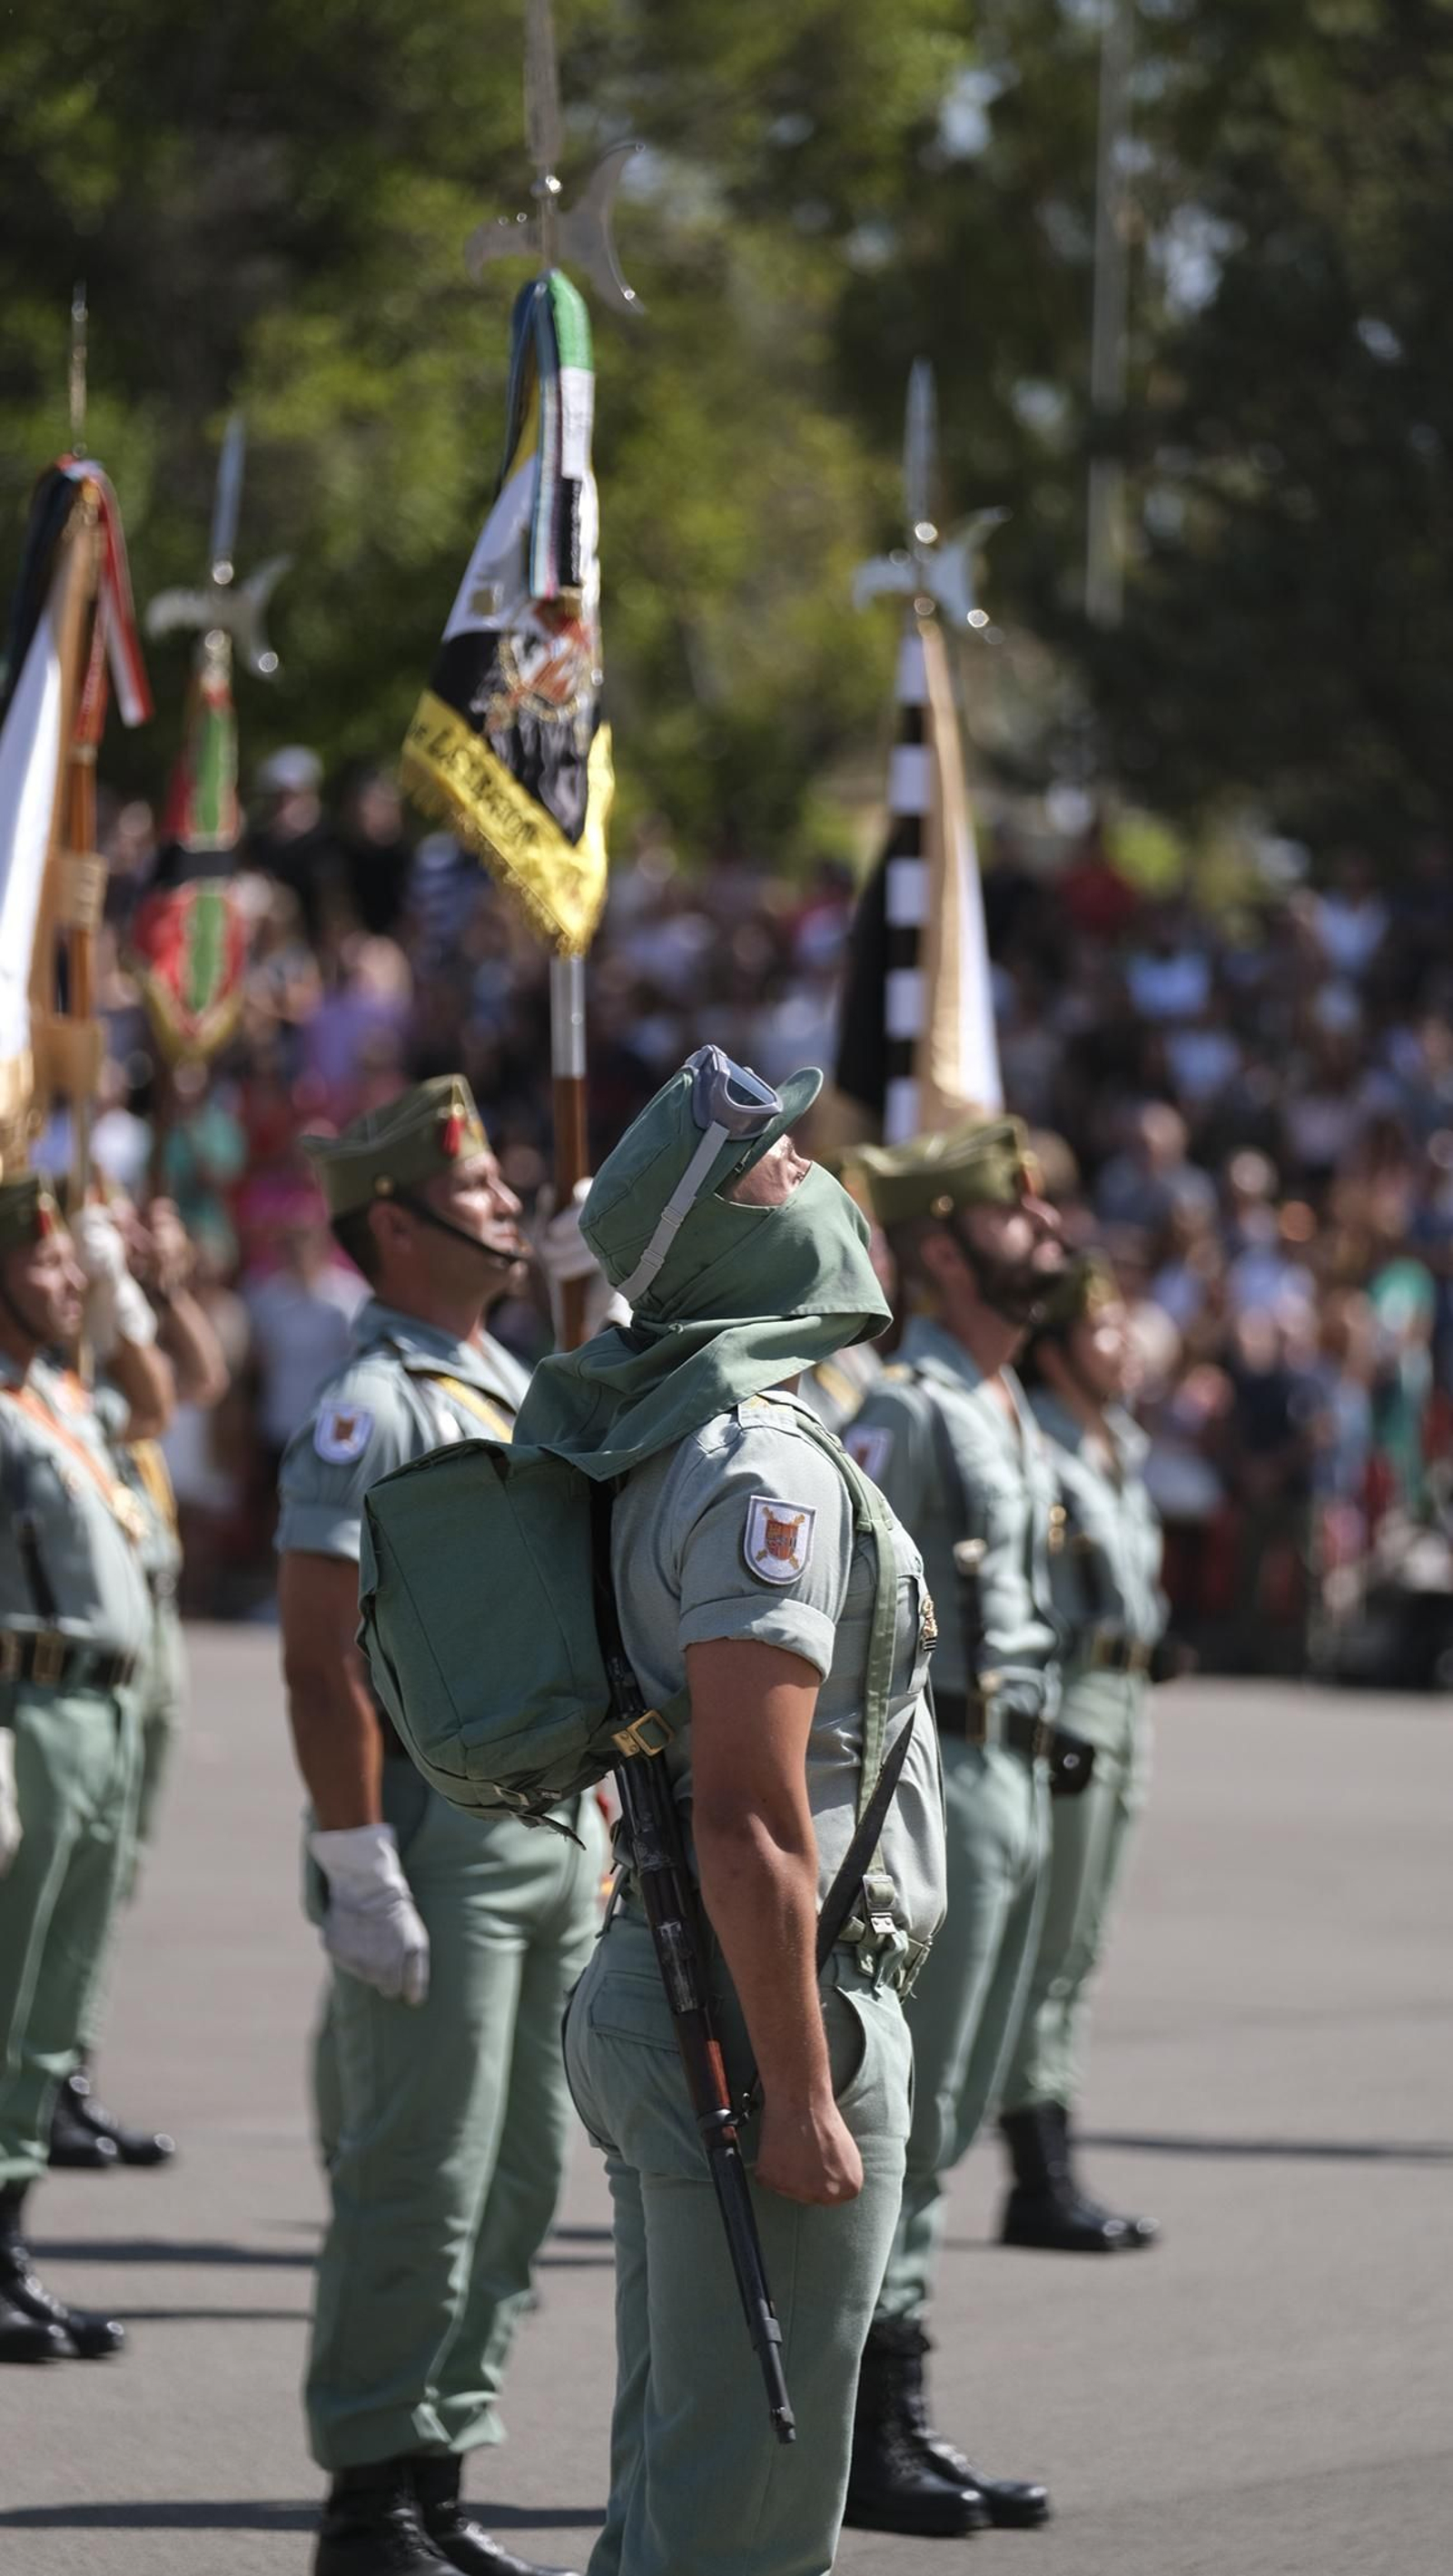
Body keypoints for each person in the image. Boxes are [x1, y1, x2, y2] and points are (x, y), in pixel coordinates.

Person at [515, 1045, 948, 2576]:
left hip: (680, 1977)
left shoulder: (651, 1431)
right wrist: (804, 2084)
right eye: (775, 1164)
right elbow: (755, 1814)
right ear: (718, 1240)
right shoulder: (759, 1458)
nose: (812, 1174)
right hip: (761, 1996)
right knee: (738, 2529)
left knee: (673, 2490)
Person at [276, 1074, 603, 2576]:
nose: (508, 1204)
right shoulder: (376, 1401)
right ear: (394, 1226)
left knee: (528, 2168)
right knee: (422, 2166)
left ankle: (441, 2470)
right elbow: (318, 1646)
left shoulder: (515, 1374)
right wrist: (355, 1855)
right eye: (475, 1194)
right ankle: (369, 2493)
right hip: (432, 1834)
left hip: (548, 1829)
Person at [836, 1117, 1064, 2538]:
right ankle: (876, 2419)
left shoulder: (1004, 1397)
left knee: (966, 2096)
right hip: (953, 1770)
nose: (1045, 1231)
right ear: (937, 1247)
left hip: (1027, 1775)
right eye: (1013, 1215)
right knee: (911, 2113)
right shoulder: (910, 1408)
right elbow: (864, 1619)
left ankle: (898, 2402)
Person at [0, 1176, 171, 2362]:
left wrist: (125, 1292)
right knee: (7, 1998)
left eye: (71, 1266)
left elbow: (163, 1399)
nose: (63, 1283)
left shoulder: (60, 1386)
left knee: (54, 2004)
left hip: (106, 1710)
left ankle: (10, 2242)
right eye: (46, 1264)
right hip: (31, 1709)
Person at [52, 1193, 230, 2170]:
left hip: (147, 1607)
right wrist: (113, 1300)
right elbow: (160, 1397)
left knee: (115, 1862)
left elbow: (198, 1372)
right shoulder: (63, 1371)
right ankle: (43, 2077)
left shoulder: (112, 1344)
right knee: (70, 1869)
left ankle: (61, 2067)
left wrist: (155, 1286)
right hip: (82, 1630)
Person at [994, 1252, 1164, 2250]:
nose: (1123, 1345)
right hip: (1073, 1697)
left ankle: (1046, 2153)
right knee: (1046, 1942)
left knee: (1083, 1941)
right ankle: (1036, 2167)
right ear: (1054, 1350)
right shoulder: (1042, 1448)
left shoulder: (1114, 1443)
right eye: (1101, 1330)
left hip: (1129, 1692)